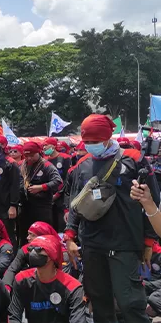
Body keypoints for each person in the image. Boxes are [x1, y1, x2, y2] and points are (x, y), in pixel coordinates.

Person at [64, 114, 159, 323]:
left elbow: (153, 201)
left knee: (129, 303)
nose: (90, 146)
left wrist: (149, 241)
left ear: (107, 138)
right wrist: (69, 236)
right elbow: (75, 203)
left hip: (124, 243)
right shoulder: (82, 164)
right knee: (100, 302)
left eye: (94, 142)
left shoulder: (133, 159)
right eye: (86, 142)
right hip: (92, 244)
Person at [9, 235, 87, 323]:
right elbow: (14, 316)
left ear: (52, 255)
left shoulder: (73, 287)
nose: (33, 252)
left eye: (38, 249)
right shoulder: (22, 280)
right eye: (31, 249)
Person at [18, 141, 62, 246]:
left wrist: (42, 187)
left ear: (39, 152)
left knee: (43, 233)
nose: (29, 158)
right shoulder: (21, 165)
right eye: (26, 156)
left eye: (32, 156)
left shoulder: (46, 165)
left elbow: (58, 181)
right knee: (24, 234)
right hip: (25, 205)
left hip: (42, 206)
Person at [3, 221, 60, 290]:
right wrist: (6, 287)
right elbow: (12, 269)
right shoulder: (25, 249)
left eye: (32, 235)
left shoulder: (60, 252)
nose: (27, 238)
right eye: (28, 234)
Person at [43, 138, 73, 233]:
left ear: (53, 146)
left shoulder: (65, 158)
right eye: (43, 146)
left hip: (62, 196)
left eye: (46, 145)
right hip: (48, 196)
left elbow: (66, 179)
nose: (44, 148)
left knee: (62, 222)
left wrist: (58, 194)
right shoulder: (44, 160)